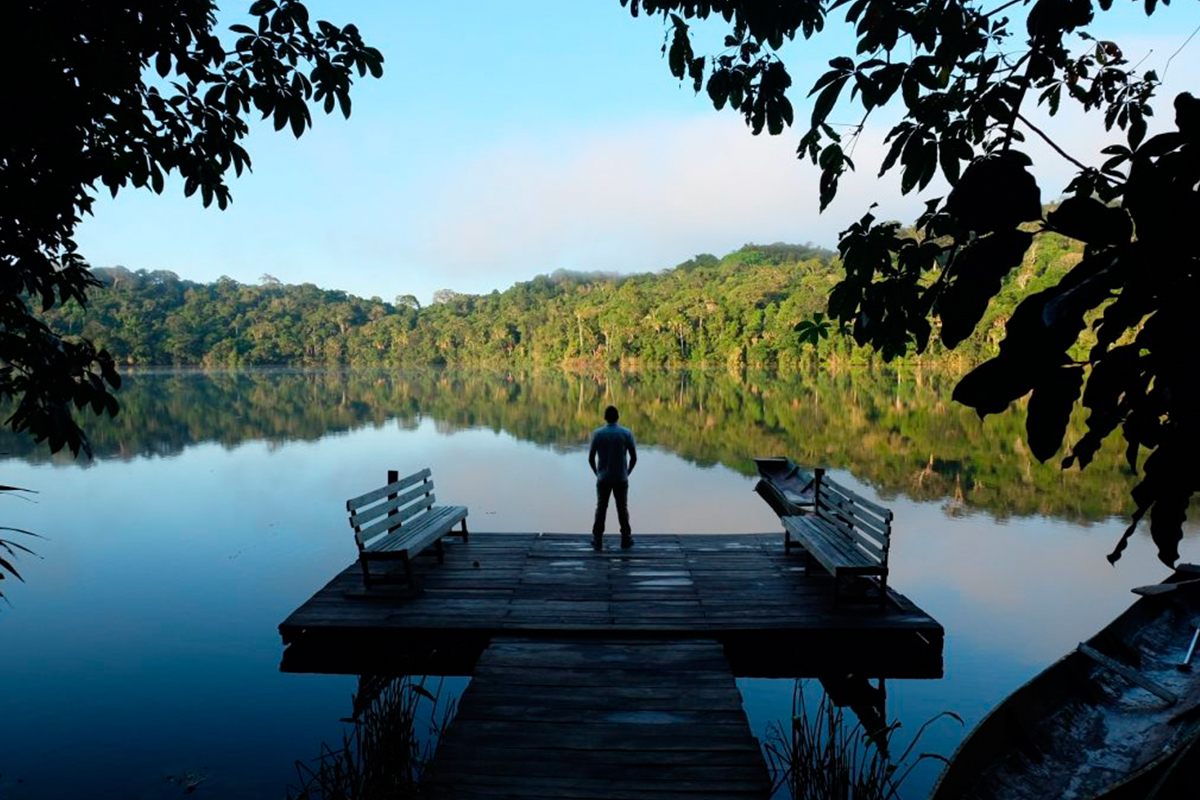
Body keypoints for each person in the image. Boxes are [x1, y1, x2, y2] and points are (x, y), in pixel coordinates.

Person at [588, 405, 637, 549]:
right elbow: (634, 457)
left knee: (601, 507)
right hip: (621, 478)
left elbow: (590, 458)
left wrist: (597, 473)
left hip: (603, 478)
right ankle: (625, 538)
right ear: (618, 417)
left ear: (605, 418)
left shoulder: (598, 434)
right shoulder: (626, 433)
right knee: (622, 508)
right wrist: (627, 472)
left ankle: (597, 538)